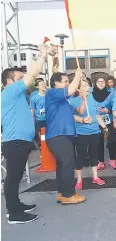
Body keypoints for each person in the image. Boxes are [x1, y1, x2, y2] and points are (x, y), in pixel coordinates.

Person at [2, 42, 48, 224]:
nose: (24, 80)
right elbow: (32, 75)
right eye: (19, 78)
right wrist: (42, 56)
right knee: (13, 177)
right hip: (14, 142)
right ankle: (13, 213)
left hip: (19, 141)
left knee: (16, 175)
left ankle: (15, 205)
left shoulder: (18, 95)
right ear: (10, 81)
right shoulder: (11, 91)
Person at [46, 68, 85, 205]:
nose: (68, 83)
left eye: (68, 81)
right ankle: (68, 194)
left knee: (63, 164)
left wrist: (82, 96)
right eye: (65, 81)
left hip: (64, 134)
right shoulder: (52, 93)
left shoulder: (65, 99)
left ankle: (63, 192)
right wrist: (77, 76)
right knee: (68, 162)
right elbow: (70, 89)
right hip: (57, 134)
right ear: (56, 83)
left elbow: (73, 114)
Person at [70, 78, 106, 190]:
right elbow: (80, 112)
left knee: (94, 155)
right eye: (84, 86)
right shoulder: (74, 100)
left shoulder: (93, 99)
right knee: (80, 156)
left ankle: (95, 177)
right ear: (78, 89)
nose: (87, 88)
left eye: (87, 86)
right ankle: (79, 179)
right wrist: (83, 99)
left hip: (95, 131)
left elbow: (96, 115)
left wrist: (104, 126)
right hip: (81, 133)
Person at [92, 76, 116, 170]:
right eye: (99, 81)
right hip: (95, 121)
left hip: (109, 120)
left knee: (111, 141)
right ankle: (101, 161)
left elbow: (115, 106)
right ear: (95, 83)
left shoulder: (111, 94)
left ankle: (112, 160)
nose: (101, 83)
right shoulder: (91, 94)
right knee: (98, 142)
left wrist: (108, 110)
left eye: (103, 81)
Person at [30, 78, 47, 142]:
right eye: (42, 85)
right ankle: (43, 146)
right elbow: (32, 109)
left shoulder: (49, 95)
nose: (44, 85)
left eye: (44, 84)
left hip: (50, 118)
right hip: (40, 119)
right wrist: (32, 120)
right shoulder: (34, 98)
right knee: (42, 134)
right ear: (37, 87)